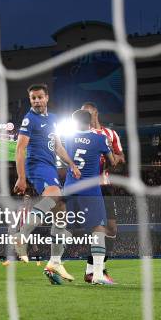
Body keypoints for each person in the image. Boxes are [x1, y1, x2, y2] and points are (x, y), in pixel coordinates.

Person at [13, 83, 81, 284]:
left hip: (50, 166)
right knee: (53, 197)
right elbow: (19, 149)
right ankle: (22, 235)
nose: (36, 101)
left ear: (47, 98)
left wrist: (71, 164)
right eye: (33, 98)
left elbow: (58, 146)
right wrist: (21, 177)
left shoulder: (52, 119)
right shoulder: (29, 119)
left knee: (60, 210)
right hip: (37, 166)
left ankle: (55, 261)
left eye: (39, 97)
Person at [63, 109, 116, 285]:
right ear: (91, 121)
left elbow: (62, 156)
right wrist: (107, 148)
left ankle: (54, 262)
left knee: (65, 229)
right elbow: (113, 162)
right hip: (90, 190)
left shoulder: (68, 138)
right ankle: (98, 274)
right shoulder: (99, 139)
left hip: (70, 188)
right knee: (98, 229)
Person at [81, 102, 125, 283]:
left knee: (112, 228)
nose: (85, 117)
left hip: (105, 185)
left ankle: (93, 269)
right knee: (96, 228)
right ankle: (96, 271)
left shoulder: (111, 134)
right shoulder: (81, 135)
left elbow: (121, 157)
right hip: (88, 186)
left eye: (87, 113)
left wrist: (111, 159)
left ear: (95, 112)